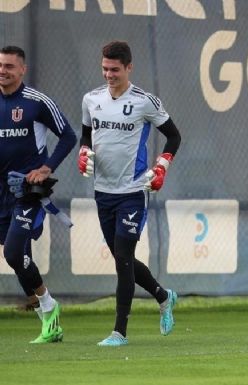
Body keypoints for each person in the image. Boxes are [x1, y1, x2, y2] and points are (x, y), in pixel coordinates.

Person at [80, 41, 181, 346]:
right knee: (121, 256)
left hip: (133, 191)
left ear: (128, 68)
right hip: (103, 191)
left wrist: (162, 165)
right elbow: (86, 133)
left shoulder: (144, 101)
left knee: (123, 258)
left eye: (115, 69)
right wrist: (83, 151)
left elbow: (174, 136)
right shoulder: (91, 99)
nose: (109, 74)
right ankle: (164, 296)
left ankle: (119, 332)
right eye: (105, 68)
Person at [0, 45, 76, 343]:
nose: (2, 70)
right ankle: (50, 323)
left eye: (8, 66)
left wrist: (46, 168)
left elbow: (68, 136)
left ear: (22, 69)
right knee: (18, 258)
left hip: (27, 192)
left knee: (12, 253)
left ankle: (48, 304)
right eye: (0, 65)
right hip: (1, 193)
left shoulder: (36, 102)